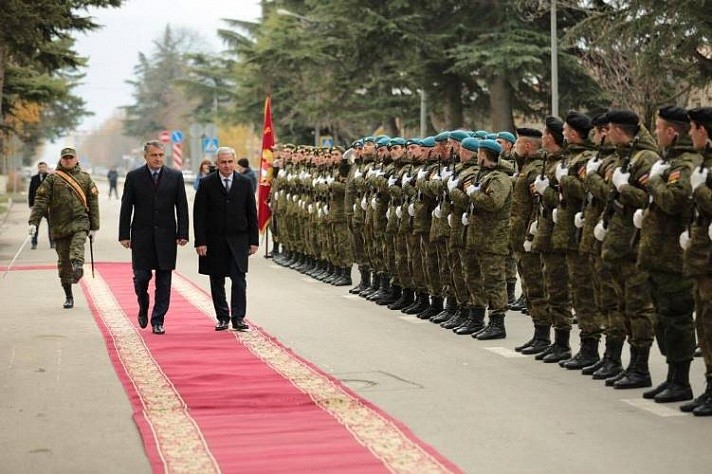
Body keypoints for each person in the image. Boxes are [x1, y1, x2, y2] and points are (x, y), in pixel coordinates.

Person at [119, 140, 189, 335]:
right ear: (146, 156)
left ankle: (158, 319)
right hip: (141, 236)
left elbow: (182, 206)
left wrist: (183, 233)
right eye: (153, 155)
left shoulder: (175, 176)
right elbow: (126, 207)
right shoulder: (134, 177)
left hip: (167, 236)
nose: (158, 159)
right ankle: (143, 304)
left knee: (164, 281)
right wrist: (124, 235)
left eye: (160, 155)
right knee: (141, 277)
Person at [193, 147, 259, 331]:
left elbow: (251, 213)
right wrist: (200, 241)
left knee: (239, 280)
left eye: (230, 162)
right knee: (217, 280)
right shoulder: (207, 183)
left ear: (234, 162)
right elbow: (199, 215)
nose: (227, 165)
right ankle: (222, 317)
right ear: (217, 163)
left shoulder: (245, 182)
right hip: (214, 240)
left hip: (239, 240)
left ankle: (238, 318)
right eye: (223, 162)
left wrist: (254, 240)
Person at [28, 147, 100, 309]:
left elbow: (93, 203)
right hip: (59, 225)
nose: (68, 160)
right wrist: (34, 222)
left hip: (80, 222)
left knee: (77, 245)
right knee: (63, 262)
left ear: (76, 159)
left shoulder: (85, 178)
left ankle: (78, 266)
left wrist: (94, 227)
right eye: (65, 158)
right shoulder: (52, 179)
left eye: (70, 158)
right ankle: (68, 295)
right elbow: (41, 201)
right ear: (61, 159)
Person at [28, 161, 54, 249]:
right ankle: (34, 243)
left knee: (51, 225)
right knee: (34, 224)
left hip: (48, 206)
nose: (42, 168)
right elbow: (31, 192)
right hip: (37, 206)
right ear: (38, 168)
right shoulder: (34, 178)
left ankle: (52, 242)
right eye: (40, 167)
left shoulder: (51, 177)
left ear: (46, 167)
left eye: (43, 167)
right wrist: (31, 204)